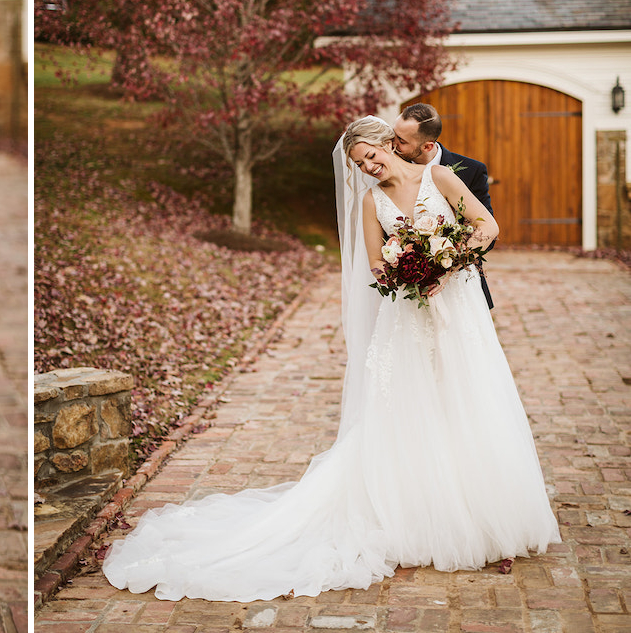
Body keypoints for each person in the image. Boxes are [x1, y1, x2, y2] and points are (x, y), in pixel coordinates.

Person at [101, 116, 559, 603]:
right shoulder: (370, 201)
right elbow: (377, 262)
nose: (370, 166)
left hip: (459, 310)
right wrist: (403, 267)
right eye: (360, 164)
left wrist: (446, 262)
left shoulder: (440, 178)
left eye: (372, 155)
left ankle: (488, 517)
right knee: (410, 408)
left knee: (469, 398)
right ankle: (415, 515)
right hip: (406, 317)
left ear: (389, 144)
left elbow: (487, 226)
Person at [392, 102, 493, 307]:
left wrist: (444, 264)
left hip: (458, 287)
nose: (393, 145)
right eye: (393, 135)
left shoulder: (471, 171)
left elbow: (487, 234)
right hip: (405, 291)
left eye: (401, 141)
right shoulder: (388, 169)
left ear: (427, 146)